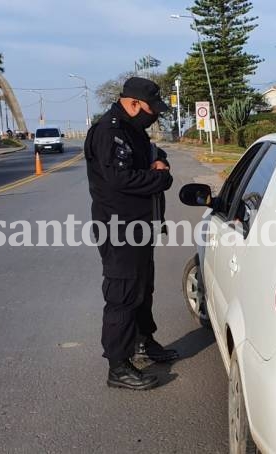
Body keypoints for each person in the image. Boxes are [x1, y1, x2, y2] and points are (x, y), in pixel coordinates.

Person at [84, 77, 179, 391]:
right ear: (135, 103)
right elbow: (119, 180)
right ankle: (118, 365)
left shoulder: (133, 130)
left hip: (140, 226)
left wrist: (160, 162)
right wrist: (160, 180)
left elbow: (154, 153)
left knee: (142, 288)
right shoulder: (110, 132)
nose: (155, 115)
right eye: (153, 109)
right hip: (119, 227)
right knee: (122, 294)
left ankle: (142, 341)